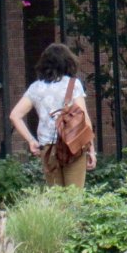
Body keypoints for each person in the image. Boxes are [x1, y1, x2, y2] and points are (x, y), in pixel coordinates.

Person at [9, 42, 96, 187]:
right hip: (73, 144)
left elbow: (15, 115)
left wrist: (31, 140)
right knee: (74, 197)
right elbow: (83, 117)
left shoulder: (36, 88)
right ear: (68, 62)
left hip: (48, 148)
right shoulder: (73, 84)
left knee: (56, 197)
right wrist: (91, 149)